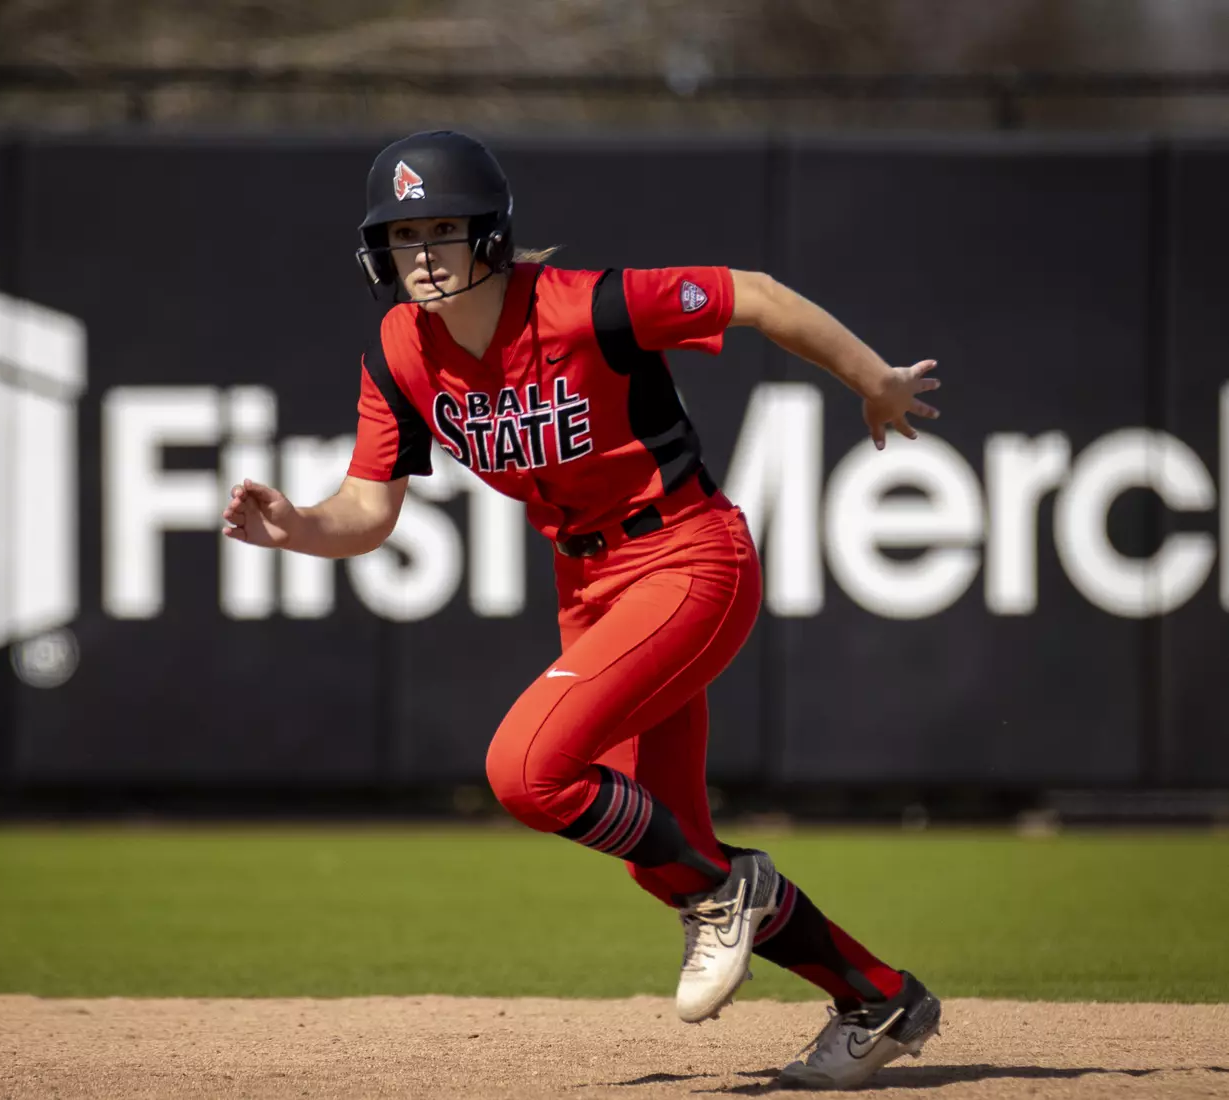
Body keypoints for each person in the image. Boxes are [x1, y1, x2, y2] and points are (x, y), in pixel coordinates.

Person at [222, 130, 944, 1090]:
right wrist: (297, 528)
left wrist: (875, 381)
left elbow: (756, 294)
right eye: (402, 235)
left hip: (688, 556)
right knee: (661, 857)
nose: (424, 252)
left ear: (491, 232)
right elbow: (367, 509)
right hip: (589, 586)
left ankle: (734, 892)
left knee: (525, 772)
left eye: (444, 227)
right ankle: (877, 997)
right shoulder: (399, 347)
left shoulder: (586, 304)